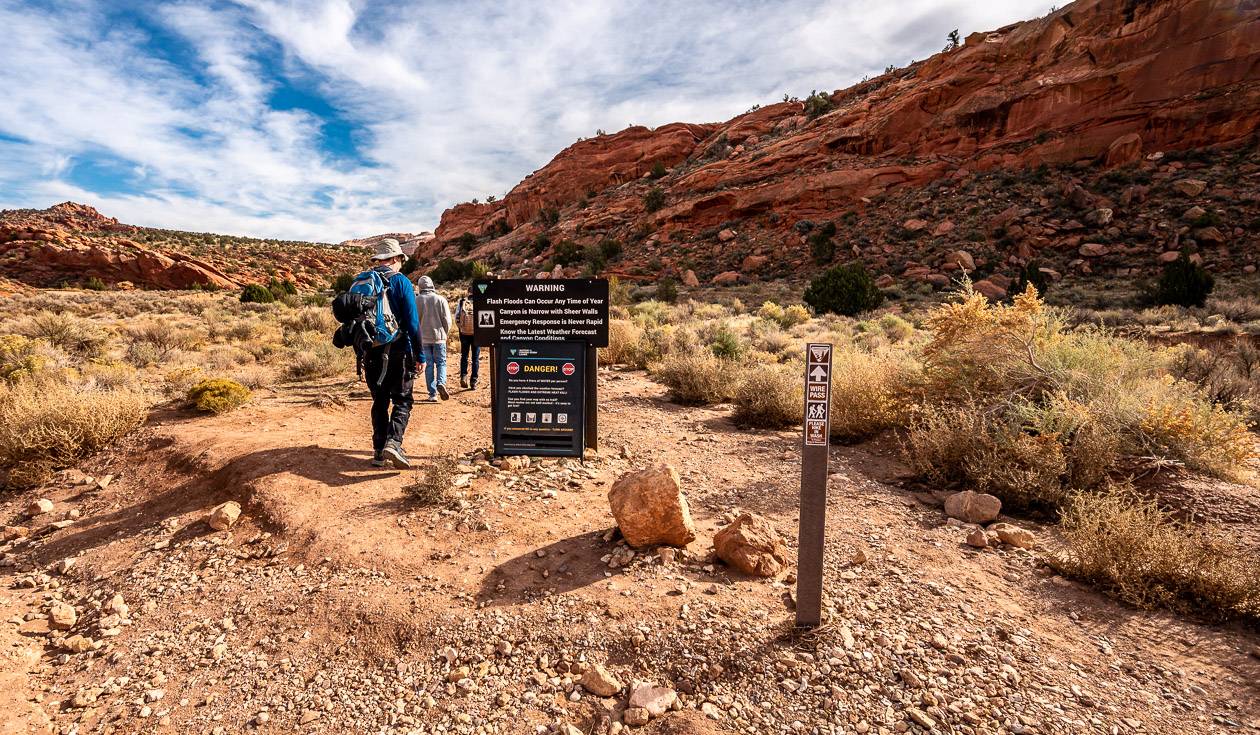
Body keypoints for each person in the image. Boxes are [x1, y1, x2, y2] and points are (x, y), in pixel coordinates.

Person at [362, 239, 423, 469]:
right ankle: (393, 443)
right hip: (398, 351)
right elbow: (412, 323)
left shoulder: (365, 281)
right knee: (403, 399)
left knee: (379, 399)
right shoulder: (400, 282)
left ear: (378, 259)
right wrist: (420, 355)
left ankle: (378, 451)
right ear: (396, 259)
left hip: (370, 352)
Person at [415, 275, 452, 402]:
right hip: (439, 337)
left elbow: (415, 321)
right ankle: (441, 383)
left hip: (423, 339)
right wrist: (444, 334)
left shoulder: (417, 300)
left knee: (429, 365)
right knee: (441, 363)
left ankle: (432, 394)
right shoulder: (440, 299)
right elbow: (447, 320)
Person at [454, 285, 480, 389]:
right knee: (475, 358)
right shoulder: (480, 301)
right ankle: (474, 381)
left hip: (464, 334)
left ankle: (463, 376)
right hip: (477, 334)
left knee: (464, 356)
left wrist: (461, 328)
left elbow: (457, 317)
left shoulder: (462, 302)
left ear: (468, 292)